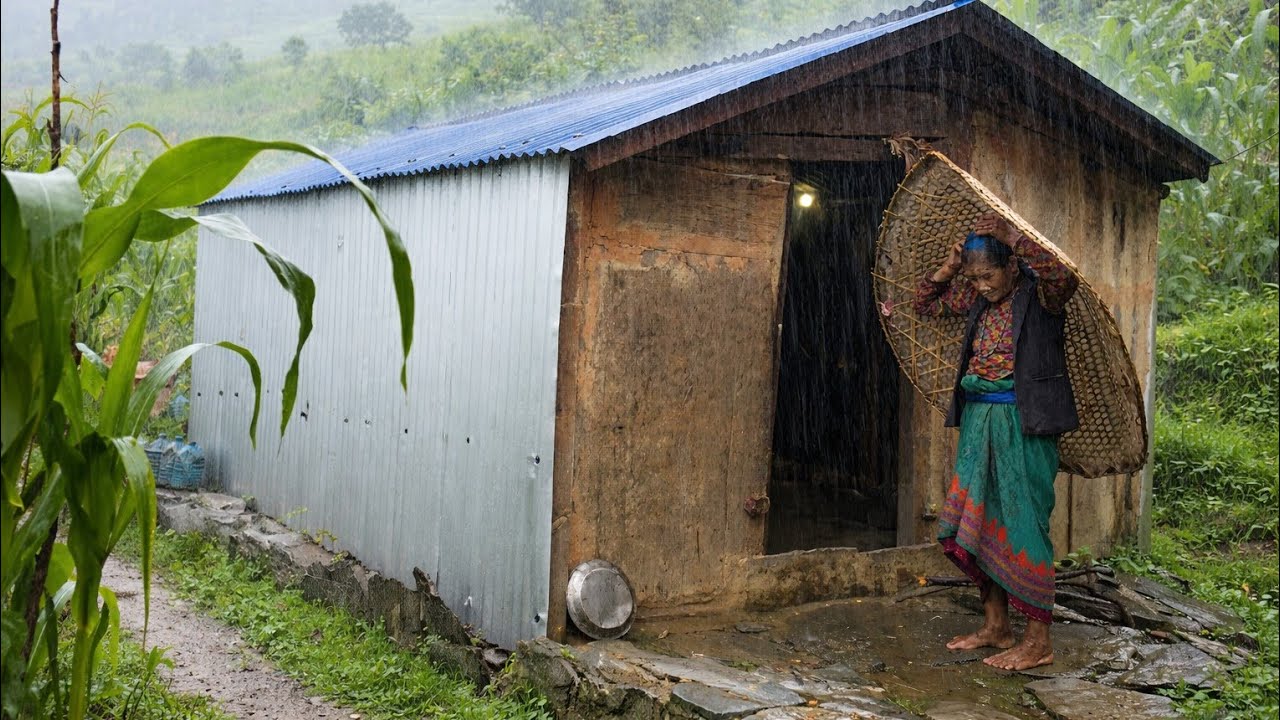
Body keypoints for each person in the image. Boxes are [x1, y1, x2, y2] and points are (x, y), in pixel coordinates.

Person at [912, 213, 1079, 671]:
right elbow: (924, 304)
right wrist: (950, 268)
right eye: (974, 277)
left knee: (1024, 523)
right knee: (978, 519)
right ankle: (996, 627)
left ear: (1011, 266)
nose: (981, 285)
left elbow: (1064, 276)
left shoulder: (1041, 296)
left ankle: (1039, 642)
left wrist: (1016, 237)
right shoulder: (978, 300)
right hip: (980, 418)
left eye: (988, 275)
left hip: (1024, 421)